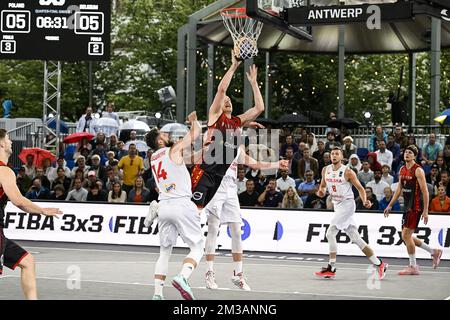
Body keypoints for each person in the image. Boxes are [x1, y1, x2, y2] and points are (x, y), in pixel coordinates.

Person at [202, 144, 287, 291]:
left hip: (231, 187)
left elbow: (254, 163)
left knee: (236, 230)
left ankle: (238, 274)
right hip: (216, 186)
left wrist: (276, 164)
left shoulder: (238, 148)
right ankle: (209, 273)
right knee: (213, 228)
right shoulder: (215, 141)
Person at [145, 111, 204, 300]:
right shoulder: (172, 150)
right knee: (197, 247)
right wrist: (193, 121)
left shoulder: (153, 158)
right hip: (181, 204)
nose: (167, 135)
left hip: (164, 206)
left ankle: (157, 294)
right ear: (160, 141)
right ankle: (183, 277)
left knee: (164, 252)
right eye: (163, 134)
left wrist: (207, 150)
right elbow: (195, 132)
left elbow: (190, 160)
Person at [0, 129, 62, 299]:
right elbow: (18, 200)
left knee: (27, 261)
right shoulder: (4, 171)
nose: (11, 142)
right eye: (8, 139)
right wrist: (43, 211)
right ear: (1, 144)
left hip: (1, 235)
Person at [314, 147, 387, 280]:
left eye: (337, 154)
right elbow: (323, 187)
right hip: (337, 205)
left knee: (330, 233)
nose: (334, 156)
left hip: (347, 205)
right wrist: (320, 192)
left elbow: (360, 188)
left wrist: (365, 200)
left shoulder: (347, 172)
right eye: (332, 154)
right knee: (356, 239)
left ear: (342, 157)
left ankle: (332, 267)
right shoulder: (326, 170)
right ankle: (380, 264)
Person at [384, 145, 443, 274]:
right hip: (407, 207)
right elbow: (399, 189)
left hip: (416, 207)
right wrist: (390, 205)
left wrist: (426, 210)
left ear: (414, 156)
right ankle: (434, 252)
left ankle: (413, 266)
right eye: (406, 152)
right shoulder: (402, 169)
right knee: (406, 236)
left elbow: (425, 191)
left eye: (410, 153)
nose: (407, 154)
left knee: (406, 235)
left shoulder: (418, 170)